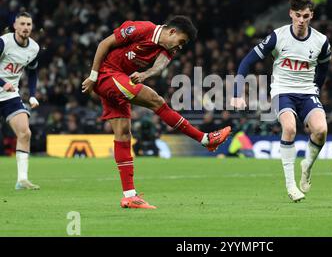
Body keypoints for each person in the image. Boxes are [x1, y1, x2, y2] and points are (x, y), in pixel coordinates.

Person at [82, 16, 231, 209]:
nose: (181, 47)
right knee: (156, 101)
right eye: (181, 41)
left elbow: (160, 66)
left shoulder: (167, 49)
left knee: (123, 134)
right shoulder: (143, 29)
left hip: (118, 79)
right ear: (172, 32)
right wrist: (93, 77)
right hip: (107, 74)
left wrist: (145, 74)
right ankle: (204, 139)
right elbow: (104, 43)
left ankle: (129, 196)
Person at [231, 0, 331, 202]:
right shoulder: (278, 36)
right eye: (297, 15)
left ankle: (306, 166)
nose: (301, 20)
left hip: (307, 92)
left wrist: (317, 92)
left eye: (306, 16)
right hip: (282, 90)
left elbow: (323, 70)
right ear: (290, 14)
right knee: (290, 128)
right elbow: (246, 62)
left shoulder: (321, 41)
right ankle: (291, 185)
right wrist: (237, 93)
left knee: (321, 130)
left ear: (311, 15)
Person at [0, 12, 40, 190]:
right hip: (4, 87)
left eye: (29, 24)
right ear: (15, 26)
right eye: (22, 24)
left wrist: (32, 94)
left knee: (25, 133)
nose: (25, 28)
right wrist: (2, 83)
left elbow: (32, 72)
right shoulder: (4, 42)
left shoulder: (34, 48)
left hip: (9, 95)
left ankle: (22, 180)